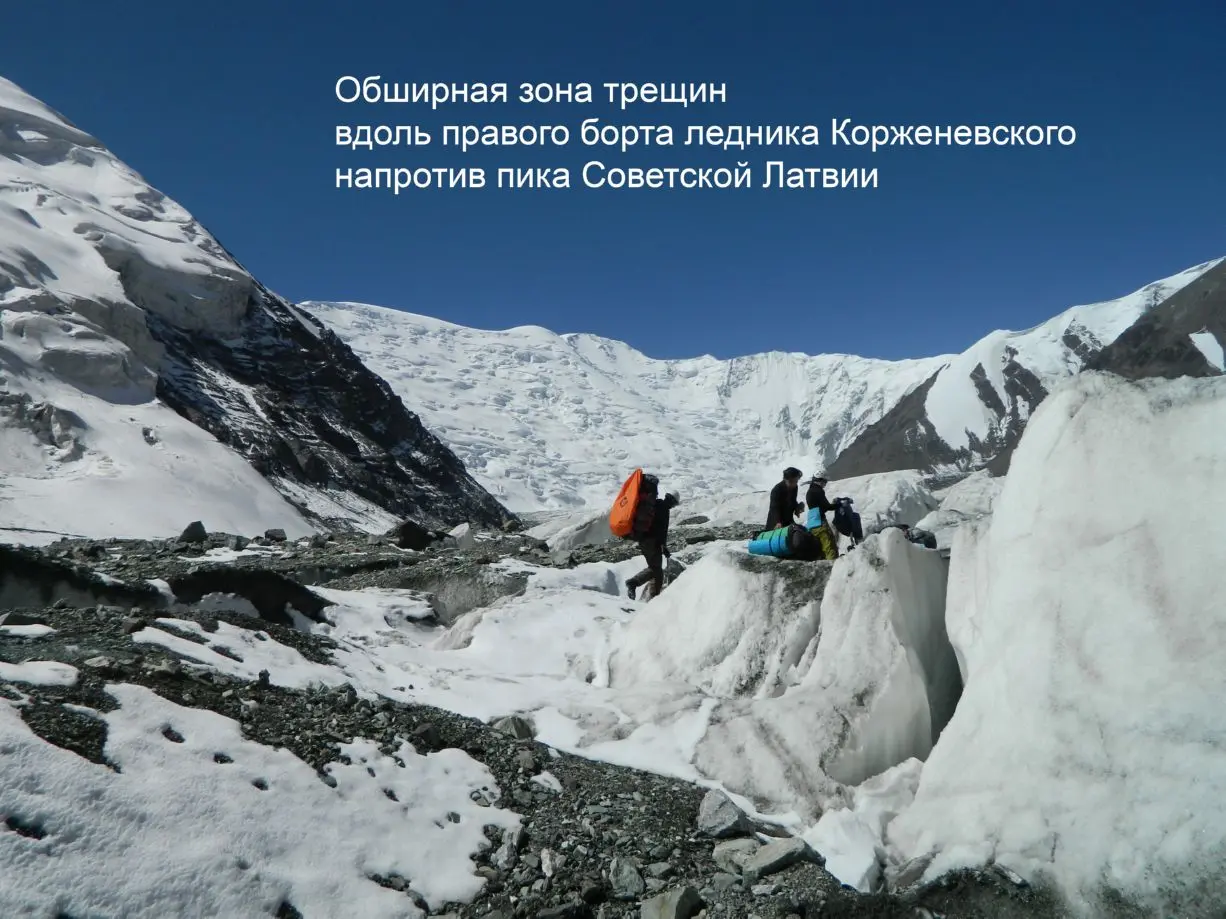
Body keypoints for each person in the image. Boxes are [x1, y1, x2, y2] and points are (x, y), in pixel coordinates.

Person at [626, 490, 681, 600]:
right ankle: (635, 583)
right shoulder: (665, 510)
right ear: (673, 502)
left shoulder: (655, 503)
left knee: (655, 569)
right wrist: (664, 547)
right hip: (652, 542)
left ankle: (653, 596)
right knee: (656, 570)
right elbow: (662, 531)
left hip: (642, 540)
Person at [804, 473, 840, 560]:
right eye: (825, 481)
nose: (825, 483)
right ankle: (833, 567)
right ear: (820, 480)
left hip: (812, 523)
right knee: (830, 546)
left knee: (820, 547)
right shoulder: (818, 491)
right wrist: (838, 505)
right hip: (820, 522)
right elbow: (826, 506)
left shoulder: (810, 491)